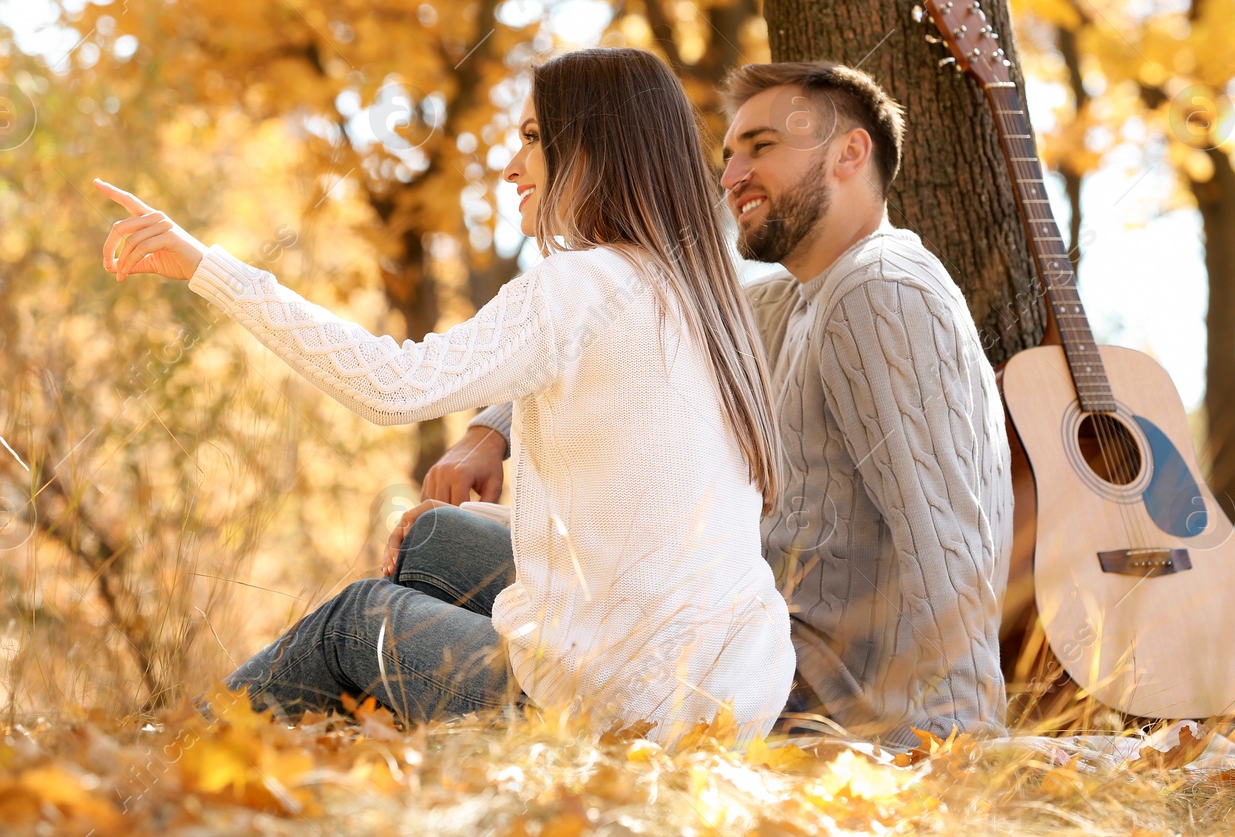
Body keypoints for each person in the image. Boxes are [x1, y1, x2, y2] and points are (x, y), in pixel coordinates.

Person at [93, 47, 795, 748]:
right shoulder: (706, 295)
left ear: (591, 148)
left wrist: (204, 266)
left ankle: (163, 753)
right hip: (721, 694)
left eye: (530, 139)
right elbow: (627, 517)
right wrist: (493, 490)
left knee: (354, 618)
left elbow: (391, 386)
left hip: (608, 710)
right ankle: (354, 758)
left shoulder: (578, 285)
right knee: (431, 536)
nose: (510, 166)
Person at [426, 62, 1012, 747]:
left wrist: (959, 740)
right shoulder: (786, 300)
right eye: (729, 155)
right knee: (436, 538)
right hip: (740, 641)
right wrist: (488, 433)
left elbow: (946, 533)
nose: (731, 176)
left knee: (388, 597)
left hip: (800, 693)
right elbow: (624, 328)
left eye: (761, 147)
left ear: (851, 152)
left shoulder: (881, 289)